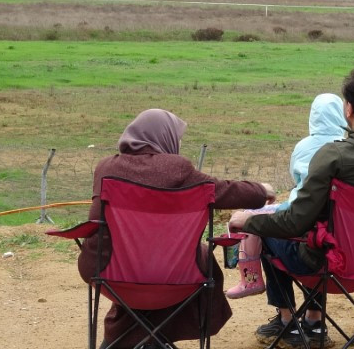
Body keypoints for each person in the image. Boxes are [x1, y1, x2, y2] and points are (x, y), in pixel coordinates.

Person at [229, 67, 354, 349]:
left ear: (349, 109)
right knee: (319, 235)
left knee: (277, 234)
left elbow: (293, 223)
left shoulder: (334, 157)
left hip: (330, 266)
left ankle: (287, 320)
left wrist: (249, 220)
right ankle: (313, 322)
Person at [77, 109, 275, 349]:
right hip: (170, 274)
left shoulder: (106, 167)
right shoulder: (177, 169)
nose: (179, 143)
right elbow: (223, 190)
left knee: (143, 268)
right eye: (177, 137)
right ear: (164, 137)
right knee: (189, 262)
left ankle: (126, 340)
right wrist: (261, 191)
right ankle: (155, 339)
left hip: (106, 269)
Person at [227, 93, 347, 299]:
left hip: (305, 229)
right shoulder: (349, 148)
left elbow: (296, 178)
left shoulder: (304, 147)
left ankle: (253, 282)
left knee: (258, 222)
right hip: (345, 244)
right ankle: (313, 318)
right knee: (314, 230)